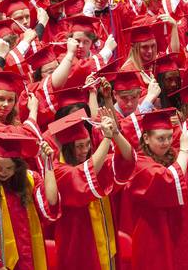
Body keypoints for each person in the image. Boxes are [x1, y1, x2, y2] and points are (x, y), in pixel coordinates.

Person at [51, 108, 135, 270]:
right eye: (79, 146)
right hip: (78, 248)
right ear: (67, 147)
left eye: (88, 144)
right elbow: (80, 175)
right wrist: (107, 139)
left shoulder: (96, 162)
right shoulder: (58, 170)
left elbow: (127, 159)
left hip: (106, 244)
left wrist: (116, 133)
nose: (85, 150)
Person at [129, 108, 188, 270]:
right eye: (160, 138)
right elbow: (169, 180)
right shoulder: (141, 163)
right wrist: (185, 150)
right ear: (146, 138)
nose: (166, 142)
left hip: (178, 229)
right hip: (154, 232)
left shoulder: (174, 156)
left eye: (170, 137)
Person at [0, 131, 59, 270]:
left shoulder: (31, 179)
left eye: (9, 168)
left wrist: (48, 164)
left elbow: (51, 203)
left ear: (18, 166)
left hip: (29, 253)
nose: (3, 172)